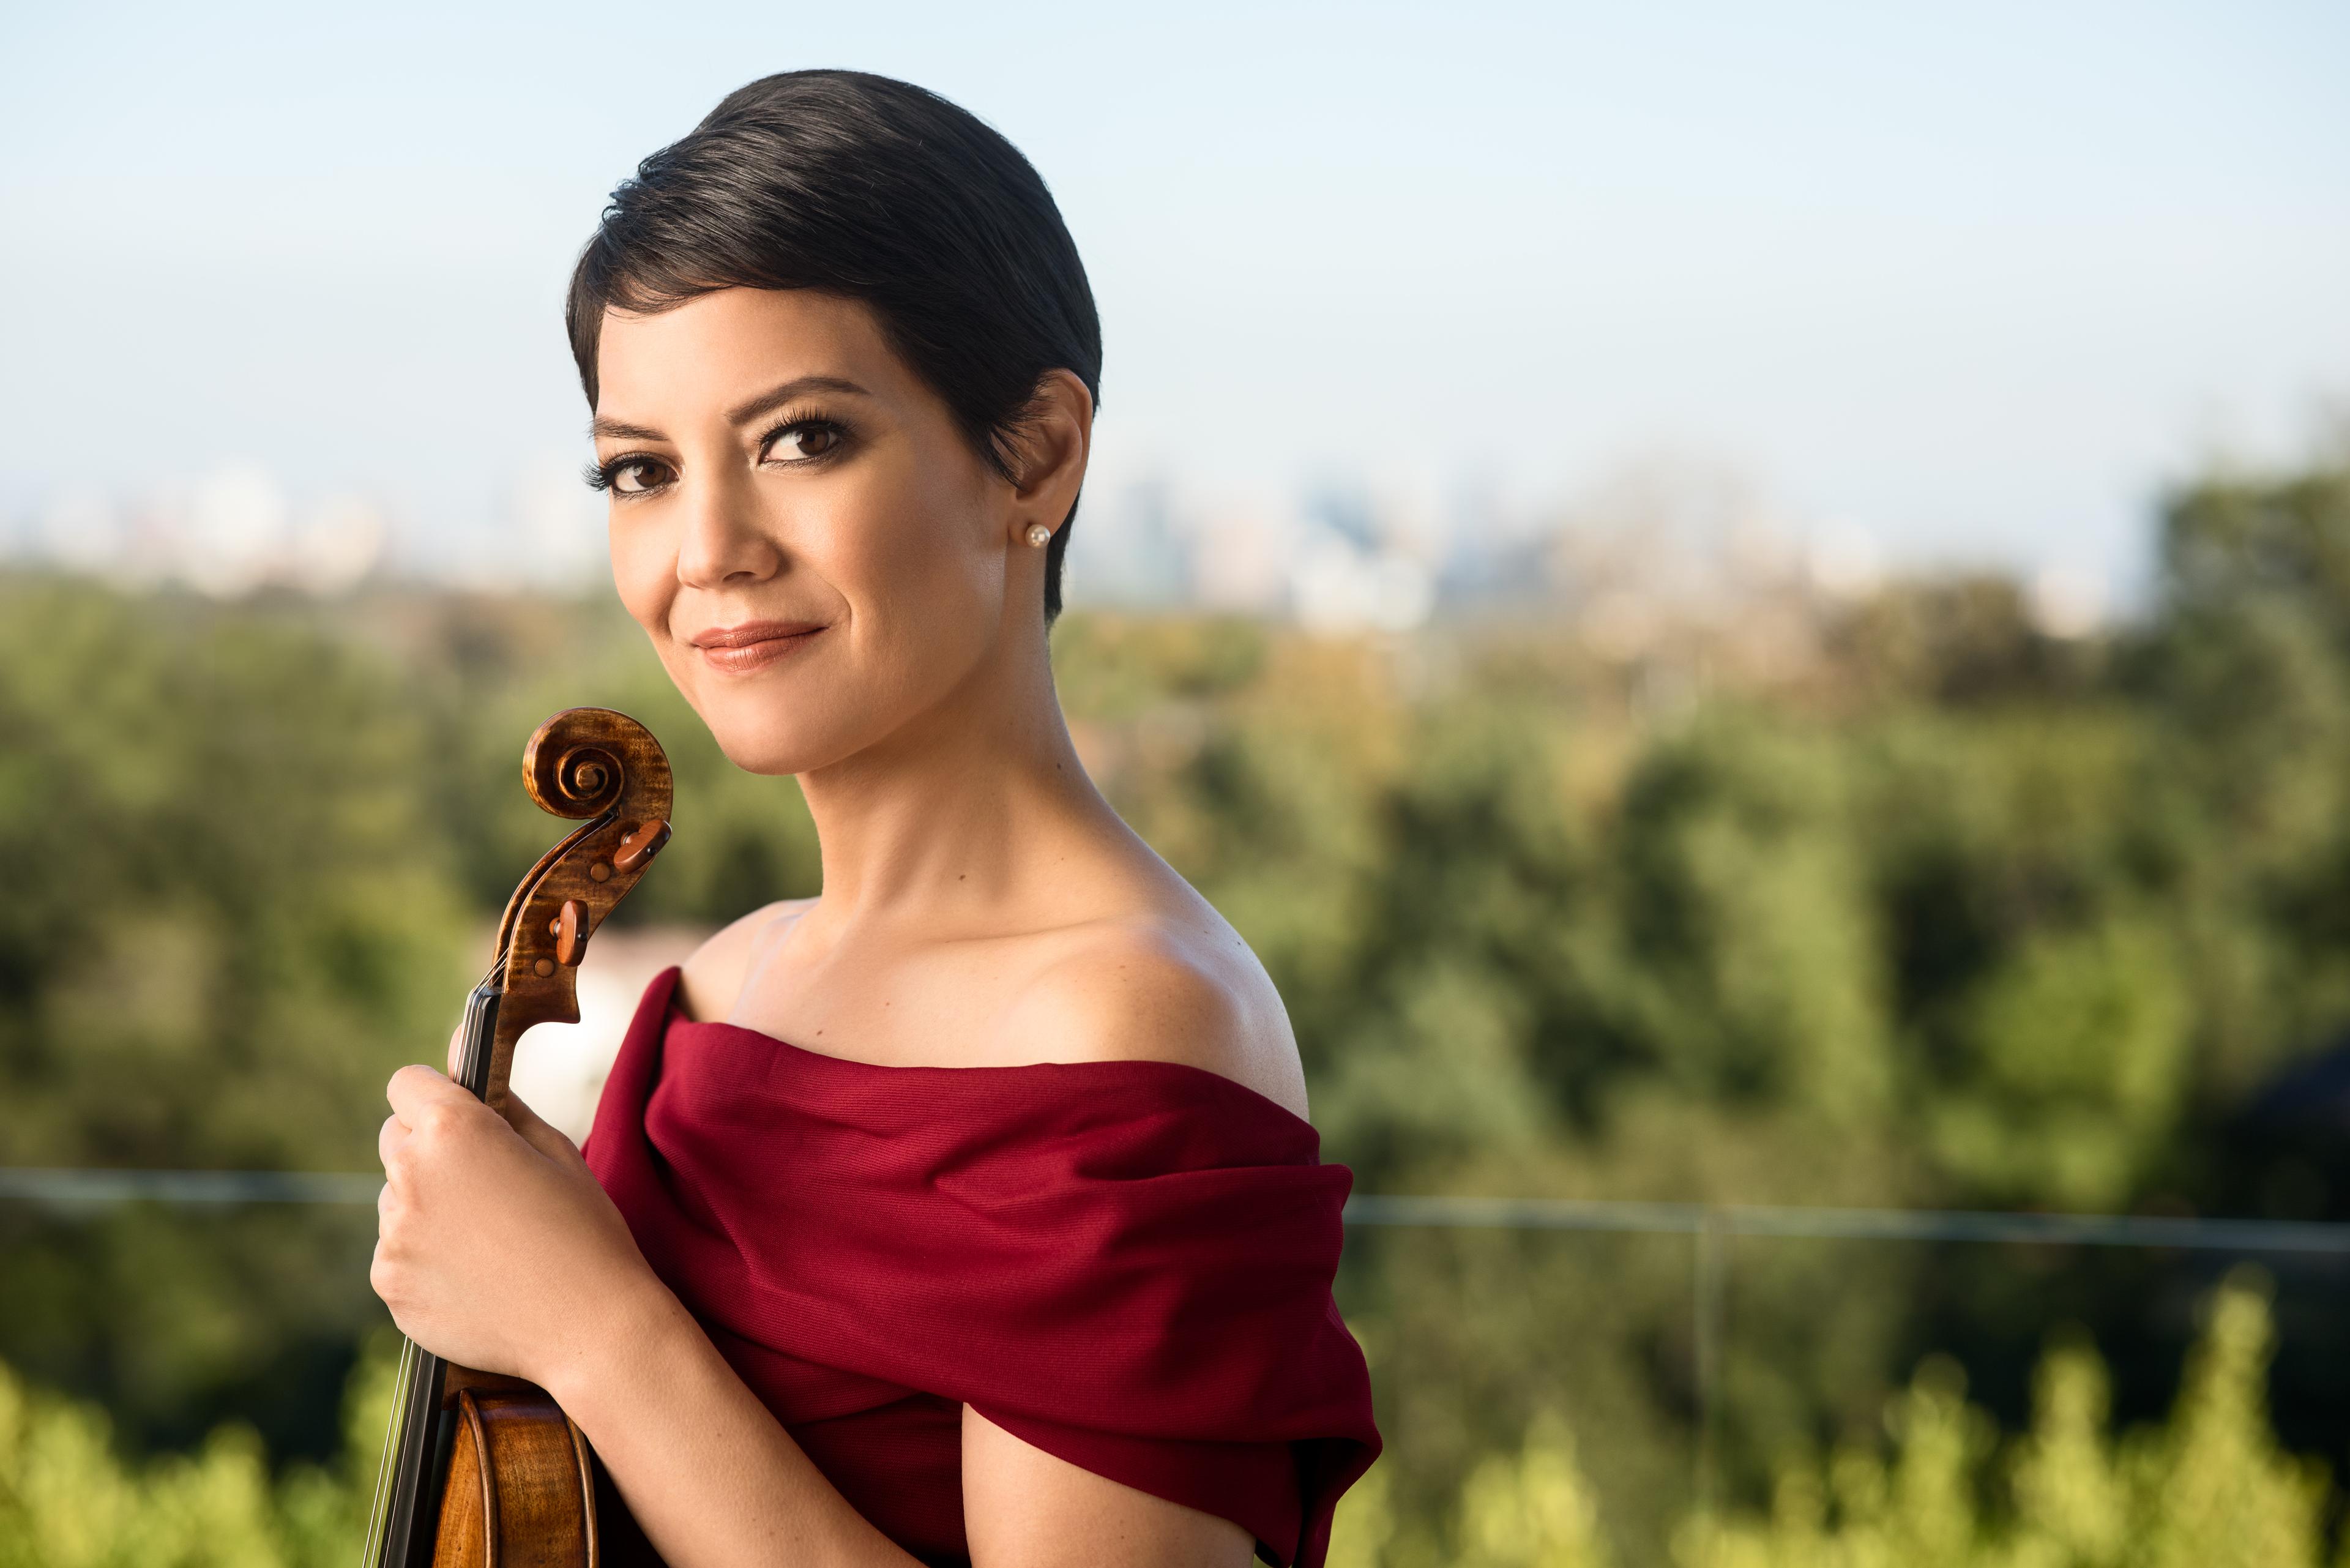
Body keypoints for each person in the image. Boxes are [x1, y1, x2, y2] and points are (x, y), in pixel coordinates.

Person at [368, 69, 1378, 1568]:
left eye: (802, 439)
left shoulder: (1125, 1018)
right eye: (640, 470)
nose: (705, 550)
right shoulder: (724, 984)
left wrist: (593, 1329)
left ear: (1033, 456)